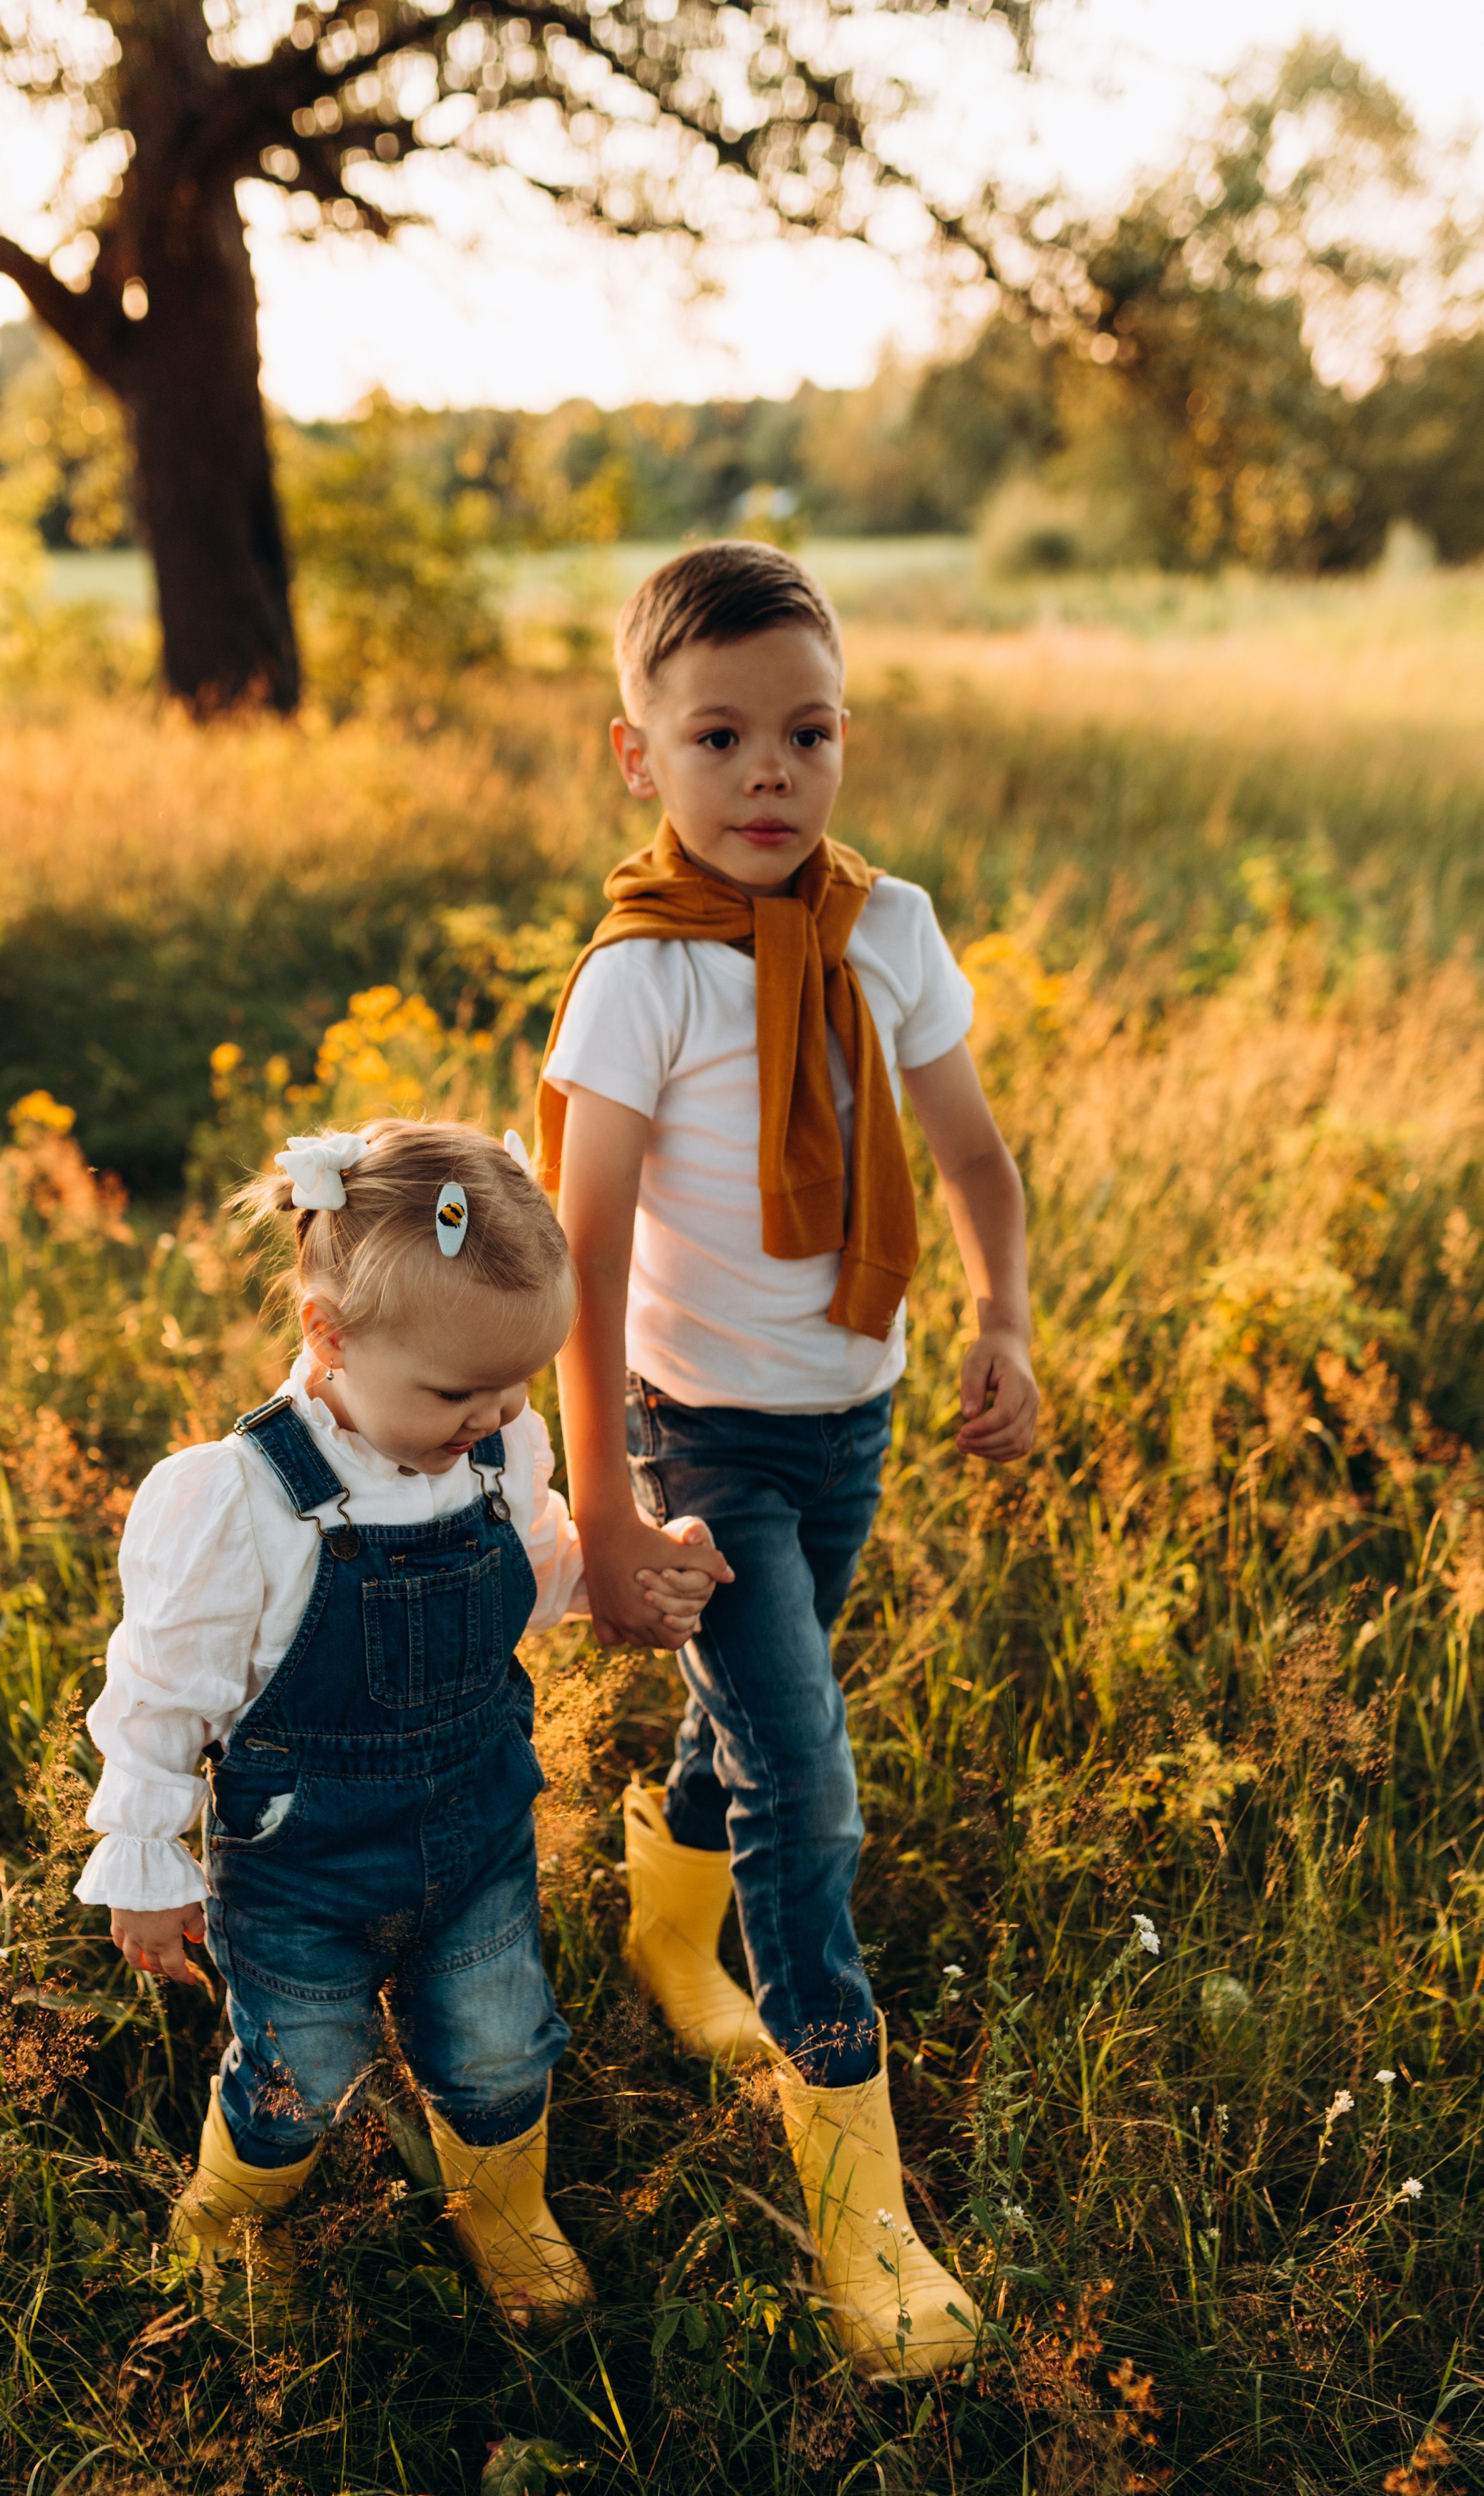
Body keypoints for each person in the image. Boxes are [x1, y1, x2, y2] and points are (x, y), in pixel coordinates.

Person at [537, 543, 1039, 2379]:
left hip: (857, 1420)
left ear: (843, 740)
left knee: (741, 1721)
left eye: (804, 733)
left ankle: (670, 1946)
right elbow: (580, 1272)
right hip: (700, 1435)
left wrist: (1000, 1321)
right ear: (637, 756)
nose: (767, 773)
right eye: (719, 735)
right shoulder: (643, 983)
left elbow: (971, 1156)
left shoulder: (886, 929)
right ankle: (861, 2208)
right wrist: (603, 1511)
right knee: (806, 1783)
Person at [74, 1118, 724, 2334]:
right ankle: (230, 2216)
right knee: (296, 2069)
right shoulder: (240, 1500)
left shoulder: (488, 1453)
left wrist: (620, 1575)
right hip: (302, 1866)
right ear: (328, 1334)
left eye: (509, 1388)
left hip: (474, 1837)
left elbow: (526, 1576)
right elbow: (159, 1699)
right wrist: (145, 1860)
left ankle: (503, 2205)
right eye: (454, 1391)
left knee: (496, 2045)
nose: (488, 1416)